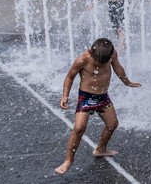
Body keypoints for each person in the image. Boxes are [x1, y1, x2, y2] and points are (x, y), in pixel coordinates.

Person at [55, 38, 141, 175]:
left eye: (104, 64)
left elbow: (118, 67)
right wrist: (65, 95)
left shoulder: (112, 55)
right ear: (91, 53)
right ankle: (68, 161)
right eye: (98, 63)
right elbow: (70, 77)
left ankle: (100, 149)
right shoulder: (83, 59)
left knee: (112, 124)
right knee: (78, 128)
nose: (100, 66)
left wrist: (127, 82)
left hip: (103, 98)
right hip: (86, 98)